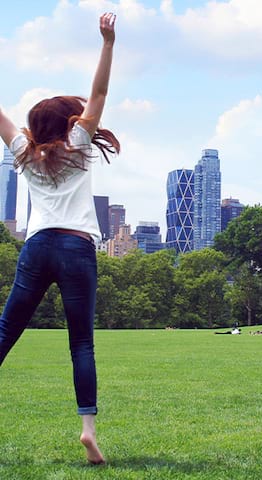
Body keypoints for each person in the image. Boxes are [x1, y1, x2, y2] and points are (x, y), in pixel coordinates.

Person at [0, 13, 118, 465]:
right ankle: (88, 431)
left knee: (7, 330)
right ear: (67, 121)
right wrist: (107, 43)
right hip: (76, 248)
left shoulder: (23, 154)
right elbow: (100, 93)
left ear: (36, 125)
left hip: (36, 247)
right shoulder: (80, 143)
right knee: (81, 343)